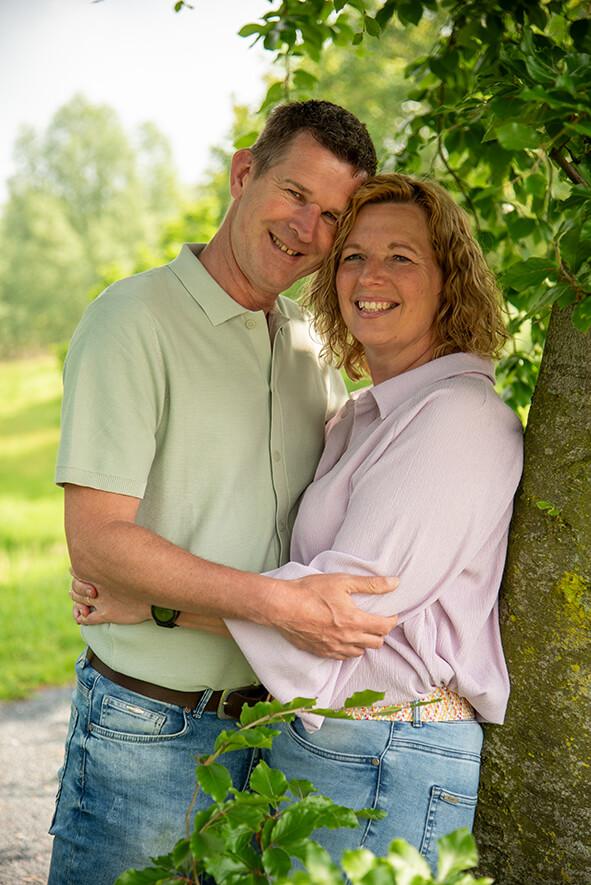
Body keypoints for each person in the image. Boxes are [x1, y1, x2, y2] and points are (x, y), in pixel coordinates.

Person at [73, 173, 524, 873]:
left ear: (450, 281)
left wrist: (160, 606)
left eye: (400, 256)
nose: (369, 275)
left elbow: (342, 619)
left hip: (391, 754)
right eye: (352, 256)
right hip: (337, 744)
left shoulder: (458, 420)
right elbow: (309, 608)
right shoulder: (362, 416)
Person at [49, 101, 400, 885]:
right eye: (295, 195)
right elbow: (99, 541)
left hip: (278, 732)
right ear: (244, 173)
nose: (307, 229)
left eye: (332, 216)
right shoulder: (131, 320)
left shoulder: (313, 347)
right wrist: (278, 606)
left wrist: (169, 601)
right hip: (150, 726)